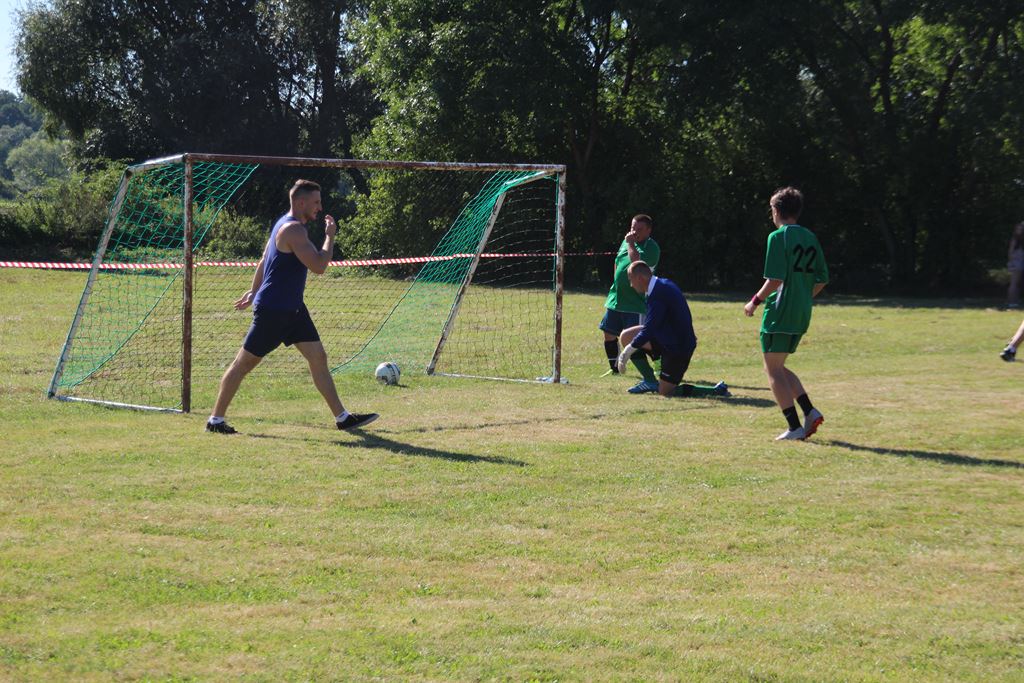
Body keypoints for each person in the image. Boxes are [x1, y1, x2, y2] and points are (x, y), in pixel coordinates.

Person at [206, 179, 378, 434]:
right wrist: (330, 238)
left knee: (318, 357)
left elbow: (265, 260)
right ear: (301, 202)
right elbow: (319, 266)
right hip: (274, 312)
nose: (320, 207)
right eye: (316, 202)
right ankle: (215, 421)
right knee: (243, 364)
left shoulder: (284, 224)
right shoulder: (293, 230)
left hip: (294, 310)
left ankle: (342, 418)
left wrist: (254, 291)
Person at [744, 186, 828, 441]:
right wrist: (801, 298)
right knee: (778, 367)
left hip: (779, 312)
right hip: (801, 313)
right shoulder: (810, 237)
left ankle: (794, 427)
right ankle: (810, 412)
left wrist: (754, 301)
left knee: (772, 370)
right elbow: (822, 279)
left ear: (777, 210)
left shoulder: (777, 237)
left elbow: (775, 279)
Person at [615, 261, 729, 398]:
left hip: (678, 347)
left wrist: (626, 353)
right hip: (667, 337)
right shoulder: (661, 284)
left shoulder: (659, 293)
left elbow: (649, 330)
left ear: (640, 278)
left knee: (666, 392)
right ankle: (650, 381)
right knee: (626, 336)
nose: (631, 285)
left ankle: (716, 391)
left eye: (630, 280)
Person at [599, 214, 662, 393]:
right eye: (633, 227)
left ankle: (658, 366)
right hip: (616, 298)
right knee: (608, 333)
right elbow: (618, 262)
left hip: (635, 302)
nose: (634, 232)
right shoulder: (626, 242)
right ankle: (615, 369)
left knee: (638, 339)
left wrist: (631, 244)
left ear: (649, 230)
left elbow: (637, 264)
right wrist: (616, 282)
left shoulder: (651, 248)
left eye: (639, 229)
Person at [1007, 222, 1024, 308]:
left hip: (1020, 263)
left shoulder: (1021, 241)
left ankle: (1015, 301)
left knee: (1017, 284)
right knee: (1014, 283)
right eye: (1018, 229)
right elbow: (1010, 252)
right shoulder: (1014, 240)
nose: (1019, 231)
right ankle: (1011, 302)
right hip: (1016, 263)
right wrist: (1011, 263)